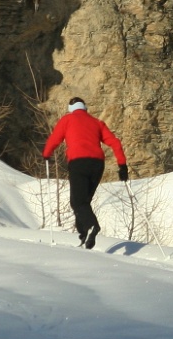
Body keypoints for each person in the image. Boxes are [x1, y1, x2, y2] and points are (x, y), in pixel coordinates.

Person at [43, 97, 128, 249]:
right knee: (82, 202)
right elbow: (115, 142)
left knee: (78, 202)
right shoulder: (97, 122)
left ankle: (91, 227)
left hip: (78, 162)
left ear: (70, 108)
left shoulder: (67, 120)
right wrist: (122, 166)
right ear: (85, 108)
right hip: (97, 164)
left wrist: (47, 154)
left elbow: (55, 139)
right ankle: (85, 238)